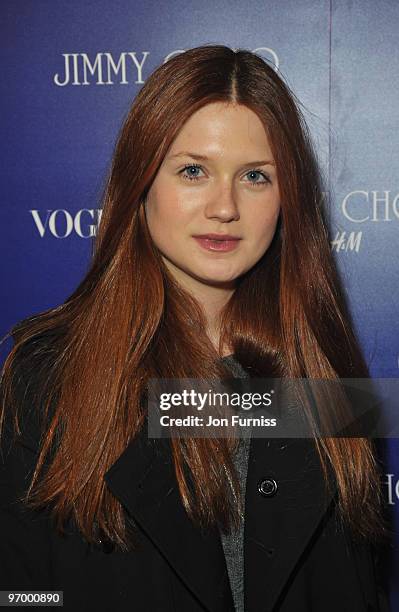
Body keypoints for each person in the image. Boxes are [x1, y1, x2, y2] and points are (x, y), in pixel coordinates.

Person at [0, 44, 391, 611]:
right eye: (193, 171)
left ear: (288, 199)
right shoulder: (48, 376)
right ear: (141, 184)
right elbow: (20, 592)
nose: (225, 206)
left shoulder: (325, 368)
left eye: (255, 176)